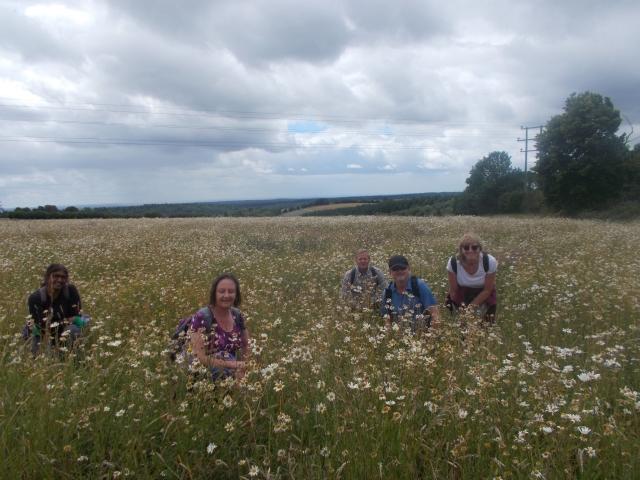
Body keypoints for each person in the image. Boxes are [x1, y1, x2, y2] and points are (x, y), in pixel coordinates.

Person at [189, 273, 251, 380]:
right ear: (214, 293)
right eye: (221, 291)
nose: (226, 295)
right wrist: (234, 365)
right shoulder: (202, 317)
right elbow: (198, 357)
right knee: (221, 373)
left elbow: (247, 344)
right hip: (203, 375)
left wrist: (243, 370)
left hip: (230, 373)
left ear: (236, 294)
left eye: (231, 291)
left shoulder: (237, 315)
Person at [27, 263, 86, 355]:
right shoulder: (35, 298)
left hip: (66, 330)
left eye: (63, 277)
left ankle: (74, 359)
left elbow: (76, 315)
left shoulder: (70, 290)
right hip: (43, 334)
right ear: (47, 277)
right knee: (42, 354)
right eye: (55, 276)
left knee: (73, 330)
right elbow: (42, 327)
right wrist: (68, 320)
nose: (60, 280)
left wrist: (55, 323)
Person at [446, 233, 497, 324]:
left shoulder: (489, 261)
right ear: (461, 249)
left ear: (480, 248)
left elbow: (487, 290)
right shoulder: (453, 262)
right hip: (460, 295)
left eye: (474, 247)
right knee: (461, 325)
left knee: (480, 326)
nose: (470, 250)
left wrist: (470, 309)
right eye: (466, 247)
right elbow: (453, 291)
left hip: (482, 295)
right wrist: (462, 312)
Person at [381, 255, 441, 333]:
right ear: (390, 272)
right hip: (400, 336)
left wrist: (430, 337)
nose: (399, 271)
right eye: (395, 269)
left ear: (408, 269)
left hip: (423, 334)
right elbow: (388, 318)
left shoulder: (420, 286)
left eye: (403, 268)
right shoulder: (388, 292)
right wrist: (389, 335)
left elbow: (436, 316)